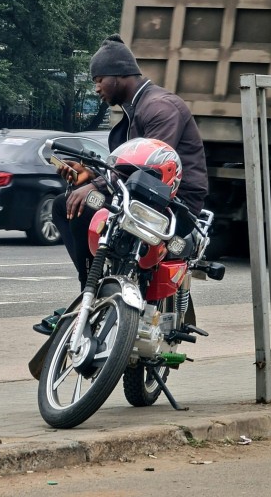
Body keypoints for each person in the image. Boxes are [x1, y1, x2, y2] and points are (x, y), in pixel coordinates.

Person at [33, 34, 208, 335]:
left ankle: (93, 296)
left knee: (84, 203)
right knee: (69, 204)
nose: (96, 87)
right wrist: (89, 176)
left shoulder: (159, 107)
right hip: (144, 197)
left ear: (118, 75)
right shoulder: (135, 111)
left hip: (174, 203)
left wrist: (97, 187)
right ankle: (90, 294)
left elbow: (151, 169)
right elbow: (127, 165)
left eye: (99, 79)